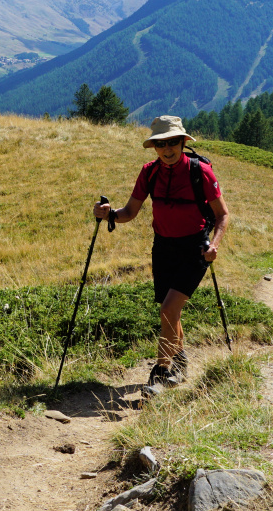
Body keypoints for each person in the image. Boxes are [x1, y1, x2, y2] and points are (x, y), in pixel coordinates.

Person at [93, 115, 230, 386]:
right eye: (161, 144)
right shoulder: (149, 172)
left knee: (168, 310)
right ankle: (181, 365)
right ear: (154, 147)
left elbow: (222, 215)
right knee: (171, 312)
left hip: (195, 248)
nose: (167, 150)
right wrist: (109, 215)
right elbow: (130, 212)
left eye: (172, 143)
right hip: (163, 248)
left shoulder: (200, 171)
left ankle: (161, 373)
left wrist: (214, 245)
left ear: (182, 142)